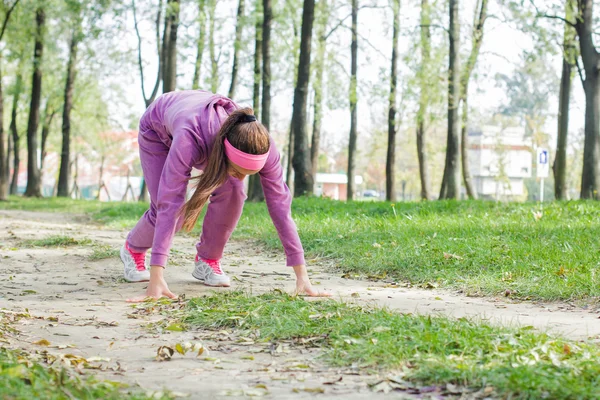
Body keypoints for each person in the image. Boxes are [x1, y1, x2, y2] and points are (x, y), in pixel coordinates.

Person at [120, 90, 330, 302]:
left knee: (235, 191)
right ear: (224, 153)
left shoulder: (263, 146)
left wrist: (302, 277)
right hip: (158, 129)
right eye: (237, 170)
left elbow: (281, 209)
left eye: (247, 174)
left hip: (204, 131)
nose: (240, 176)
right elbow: (170, 202)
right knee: (172, 211)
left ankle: (207, 259)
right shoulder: (189, 139)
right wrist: (156, 278)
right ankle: (133, 249)